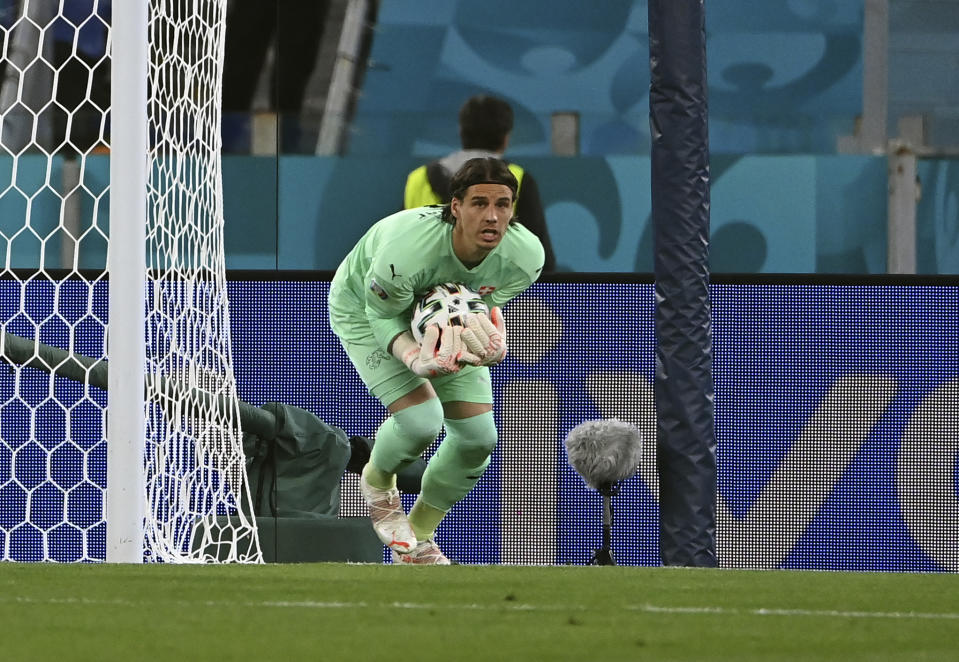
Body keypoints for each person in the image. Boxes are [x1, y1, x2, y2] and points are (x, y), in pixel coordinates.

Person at [329, 157, 545, 564]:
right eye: (479, 203)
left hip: (435, 321)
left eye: (503, 204)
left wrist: (492, 343)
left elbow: (479, 308)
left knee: (479, 438)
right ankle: (376, 483)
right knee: (421, 421)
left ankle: (419, 538)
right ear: (455, 207)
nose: (493, 216)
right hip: (365, 309)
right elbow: (382, 314)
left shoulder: (526, 256)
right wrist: (413, 358)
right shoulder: (406, 253)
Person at [403, 94, 557, 272]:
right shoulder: (518, 179)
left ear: (461, 132)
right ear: (506, 137)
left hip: (424, 291)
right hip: (497, 295)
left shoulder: (417, 178)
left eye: (501, 205)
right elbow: (542, 264)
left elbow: (401, 248)